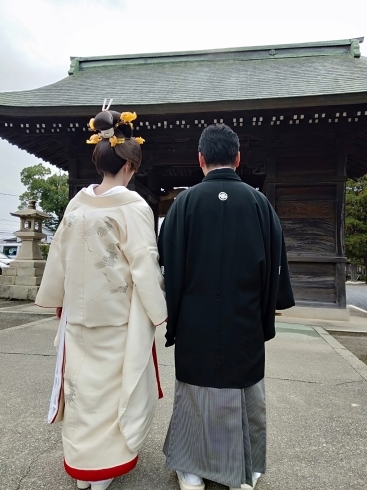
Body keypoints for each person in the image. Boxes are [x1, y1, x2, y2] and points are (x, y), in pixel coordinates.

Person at [36, 104, 167, 490]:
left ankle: (82, 465)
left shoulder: (77, 205)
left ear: (101, 162)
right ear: (131, 165)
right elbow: (144, 263)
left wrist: (61, 300)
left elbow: (59, 256)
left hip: (78, 314)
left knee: (82, 392)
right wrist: (160, 311)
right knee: (111, 392)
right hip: (116, 317)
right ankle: (104, 468)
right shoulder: (133, 206)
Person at [158, 124, 295, 490]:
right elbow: (275, 266)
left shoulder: (182, 205)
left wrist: (172, 314)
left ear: (201, 159)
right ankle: (246, 471)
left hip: (194, 322)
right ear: (237, 158)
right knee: (245, 393)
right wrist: (268, 309)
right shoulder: (259, 203)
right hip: (245, 319)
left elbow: (168, 267)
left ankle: (190, 470)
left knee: (193, 395)